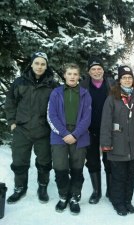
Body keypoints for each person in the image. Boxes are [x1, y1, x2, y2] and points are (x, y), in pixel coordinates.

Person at [5, 51, 58, 204]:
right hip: (22, 129)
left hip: (43, 130)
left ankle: (42, 186)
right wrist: (12, 122)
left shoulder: (51, 84)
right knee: (19, 160)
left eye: (43, 64)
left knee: (44, 161)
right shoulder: (19, 82)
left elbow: (57, 107)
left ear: (46, 66)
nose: (39, 67)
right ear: (32, 64)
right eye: (37, 63)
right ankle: (20, 187)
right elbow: (10, 103)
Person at [100, 65, 134, 216]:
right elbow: (105, 122)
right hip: (117, 145)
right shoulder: (112, 98)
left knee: (131, 175)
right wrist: (106, 143)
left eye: (130, 77)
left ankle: (127, 201)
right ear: (119, 80)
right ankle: (118, 203)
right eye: (124, 77)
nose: (127, 80)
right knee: (119, 176)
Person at [47, 63, 92, 215]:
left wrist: (75, 135)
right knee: (60, 167)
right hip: (60, 135)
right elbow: (51, 116)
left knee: (77, 168)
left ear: (79, 76)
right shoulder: (56, 93)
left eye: (75, 74)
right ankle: (63, 195)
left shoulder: (85, 94)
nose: (72, 77)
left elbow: (87, 117)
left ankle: (75, 196)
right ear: (64, 75)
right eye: (69, 74)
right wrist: (65, 133)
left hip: (79, 135)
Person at [80, 56, 115, 204]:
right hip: (89, 130)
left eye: (99, 68)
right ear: (89, 72)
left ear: (103, 70)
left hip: (108, 130)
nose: (96, 71)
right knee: (93, 160)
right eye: (93, 69)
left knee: (109, 159)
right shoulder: (83, 86)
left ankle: (110, 190)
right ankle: (96, 191)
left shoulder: (111, 84)